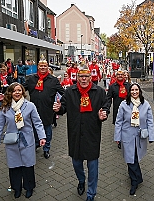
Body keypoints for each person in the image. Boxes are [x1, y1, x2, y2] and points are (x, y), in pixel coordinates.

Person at [53, 65, 108, 201]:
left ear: (91, 77)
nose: (84, 79)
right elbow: (63, 107)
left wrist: (104, 114)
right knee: (76, 163)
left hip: (92, 133)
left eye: (86, 76)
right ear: (77, 77)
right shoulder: (70, 91)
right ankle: (81, 180)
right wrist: (59, 109)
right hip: (75, 133)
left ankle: (91, 194)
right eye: (81, 76)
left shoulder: (99, 91)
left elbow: (105, 106)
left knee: (93, 166)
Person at [0, 83, 46, 199]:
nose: (17, 93)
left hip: (27, 140)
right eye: (14, 91)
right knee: (14, 166)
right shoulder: (5, 108)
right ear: (10, 93)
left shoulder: (30, 106)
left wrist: (42, 137)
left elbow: (37, 123)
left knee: (28, 165)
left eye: (19, 90)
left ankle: (29, 187)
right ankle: (16, 188)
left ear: (22, 92)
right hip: (11, 141)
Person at [114, 83, 154, 195]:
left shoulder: (145, 104)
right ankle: (135, 181)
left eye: (136, 90)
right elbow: (119, 122)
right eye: (132, 90)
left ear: (139, 91)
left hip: (140, 136)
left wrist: (151, 136)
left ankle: (136, 177)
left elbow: (150, 121)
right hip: (127, 136)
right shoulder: (124, 104)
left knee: (135, 158)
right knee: (129, 159)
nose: (134, 92)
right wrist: (117, 136)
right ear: (129, 92)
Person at [24, 58, 64, 159]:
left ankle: (46, 148)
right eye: (41, 66)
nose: (42, 67)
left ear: (47, 67)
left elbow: (63, 93)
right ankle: (36, 143)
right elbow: (21, 88)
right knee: (34, 128)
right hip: (33, 110)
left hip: (47, 110)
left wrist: (63, 104)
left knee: (47, 130)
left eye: (45, 66)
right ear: (38, 67)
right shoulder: (32, 79)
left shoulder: (53, 80)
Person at [107, 70, 130, 148]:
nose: (120, 76)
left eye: (122, 74)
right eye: (118, 75)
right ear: (116, 76)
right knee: (119, 125)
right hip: (117, 109)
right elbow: (108, 99)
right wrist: (106, 109)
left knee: (127, 124)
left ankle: (127, 139)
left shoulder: (128, 85)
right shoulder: (112, 87)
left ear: (124, 76)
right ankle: (119, 140)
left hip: (128, 109)